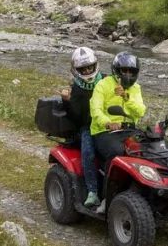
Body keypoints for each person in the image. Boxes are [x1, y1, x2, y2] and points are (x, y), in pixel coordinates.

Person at [89, 52, 145, 179]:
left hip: (128, 129)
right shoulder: (103, 85)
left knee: (148, 148)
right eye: (124, 71)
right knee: (118, 152)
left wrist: (126, 97)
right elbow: (95, 110)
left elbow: (140, 111)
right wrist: (108, 122)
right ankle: (108, 193)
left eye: (131, 72)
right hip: (104, 131)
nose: (127, 75)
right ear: (116, 71)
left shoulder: (135, 88)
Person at [59, 47, 103, 209]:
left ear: (94, 65)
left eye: (89, 67)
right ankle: (92, 191)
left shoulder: (105, 81)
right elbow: (76, 117)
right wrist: (67, 101)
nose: (87, 71)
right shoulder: (76, 88)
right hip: (88, 127)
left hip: (108, 124)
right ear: (76, 70)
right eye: (83, 69)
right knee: (88, 153)